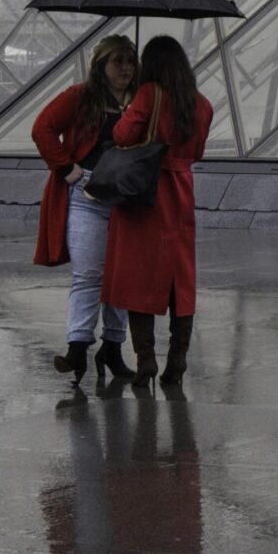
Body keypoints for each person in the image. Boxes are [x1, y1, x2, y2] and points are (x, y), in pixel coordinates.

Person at [103, 36, 213, 388]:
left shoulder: (148, 94)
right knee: (180, 280)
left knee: (140, 279)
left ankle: (146, 361)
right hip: (181, 194)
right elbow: (196, 152)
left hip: (146, 195)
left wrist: (129, 110)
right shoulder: (201, 104)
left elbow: (122, 135)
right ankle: (177, 361)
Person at [32, 34, 138, 385]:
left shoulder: (140, 100)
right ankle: (77, 346)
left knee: (122, 278)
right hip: (87, 194)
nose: (125, 67)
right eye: (117, 61)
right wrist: (67, 169)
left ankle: (113, 346)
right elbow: (42, 128)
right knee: (88, 275)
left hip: (126, 196)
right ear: (101, 65)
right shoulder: (79, 97)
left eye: (129, 60)